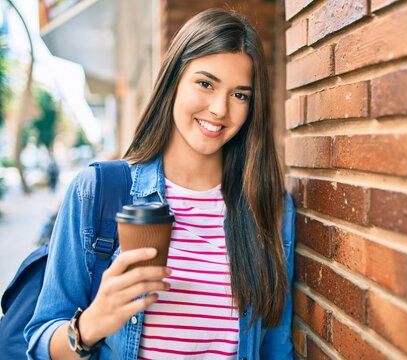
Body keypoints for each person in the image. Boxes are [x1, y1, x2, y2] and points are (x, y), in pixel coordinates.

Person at [25, 8, 295, 360]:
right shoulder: (97, 191)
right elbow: (39, 343)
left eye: (240, 95)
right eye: (206, 83)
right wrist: (92, 323)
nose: (219, 108)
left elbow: (275, 348)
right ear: (174, 81)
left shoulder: (271, 208)